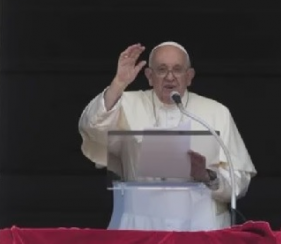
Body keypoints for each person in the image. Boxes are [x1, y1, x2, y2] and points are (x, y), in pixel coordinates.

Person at [78, 41, 256, 231]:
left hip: (201, 225)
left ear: (189, 76)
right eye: (161, 70)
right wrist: (118, 83)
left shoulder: (216, 112)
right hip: (140, 223)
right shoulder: (125, 104)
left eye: (177, 69)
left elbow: (240, 181)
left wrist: (207, 176)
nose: (170, 77)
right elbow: (91, 127)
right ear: (149, 76)